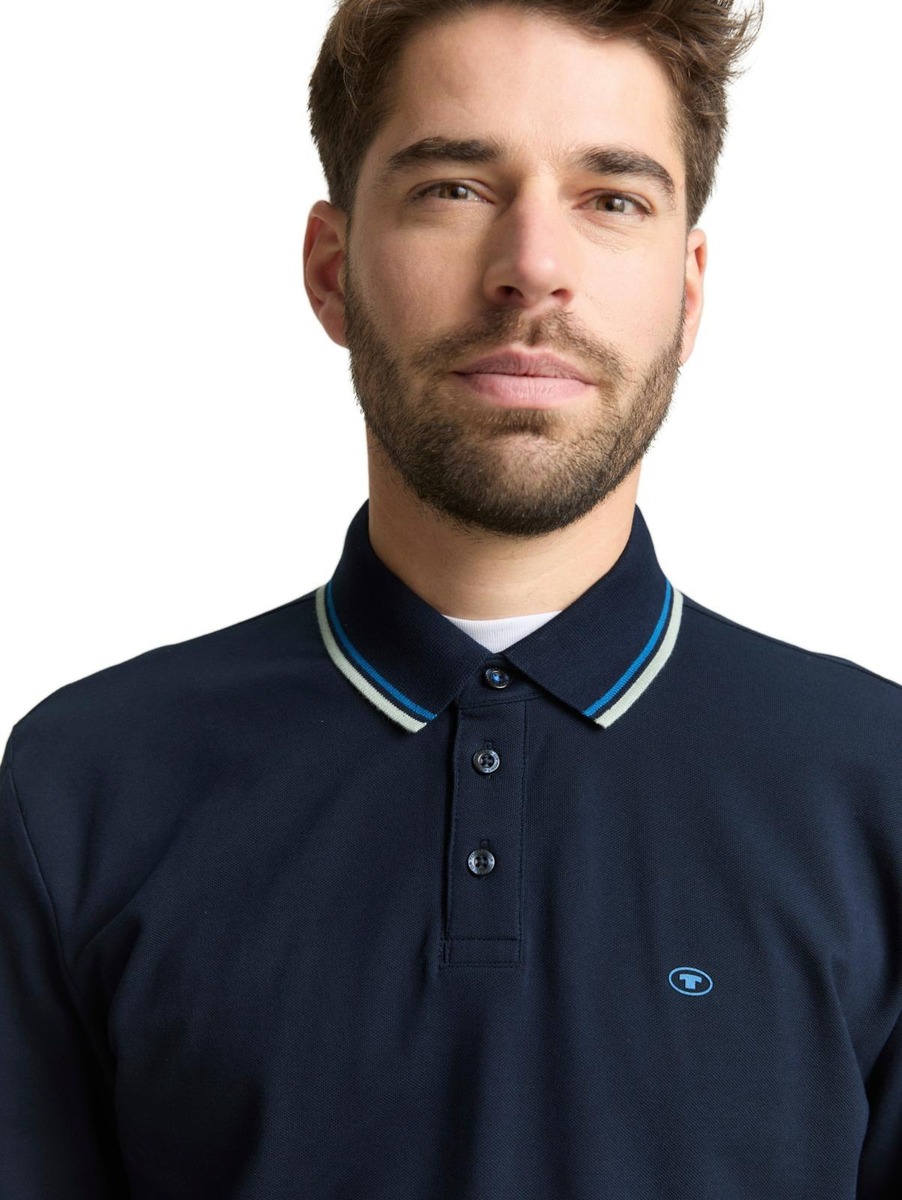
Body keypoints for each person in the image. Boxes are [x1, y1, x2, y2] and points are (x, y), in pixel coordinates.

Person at [2, 0, 900, 1196]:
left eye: (610, 198)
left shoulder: (878, 789)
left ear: (688, 294)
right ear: (331, 270)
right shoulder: (82, 788)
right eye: (453, 188)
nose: (531, 267)